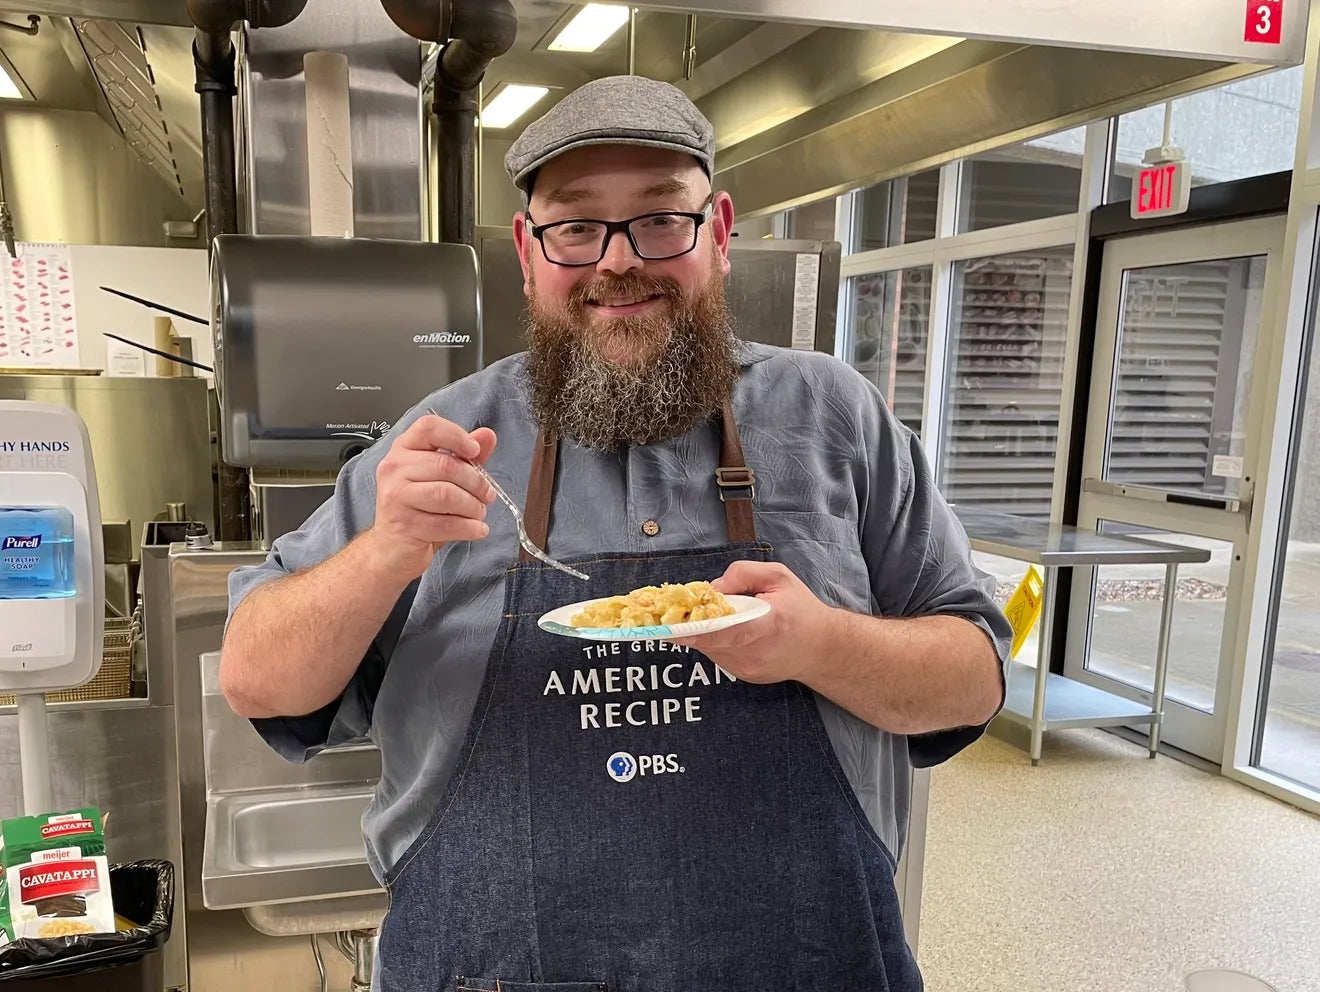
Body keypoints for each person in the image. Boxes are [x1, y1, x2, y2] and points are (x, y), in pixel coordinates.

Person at [222, 74, 1012, 992]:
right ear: (529, 249)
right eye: (576, 225)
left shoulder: (834, 416)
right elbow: (256, 678)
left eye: (659, 219)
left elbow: (974, 680)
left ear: (717, 233)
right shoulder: (438, 439)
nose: (617, 261)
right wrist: (385, 550)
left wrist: (819, 642)